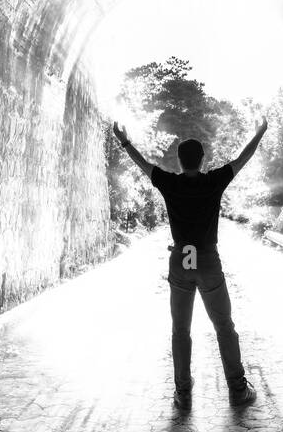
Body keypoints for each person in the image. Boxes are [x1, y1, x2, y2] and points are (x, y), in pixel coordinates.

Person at [112, 117, 269, 411]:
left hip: (180, 262)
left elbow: (142, 163)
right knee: (224, 325)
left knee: (180, 329)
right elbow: (243, 158)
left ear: (179, 161)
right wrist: (259, 132)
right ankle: (237, 389)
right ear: (202, 159)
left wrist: (123, 139)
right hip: (208, 261)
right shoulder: (214, 181)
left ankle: (183, 392)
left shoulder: (169, 182)